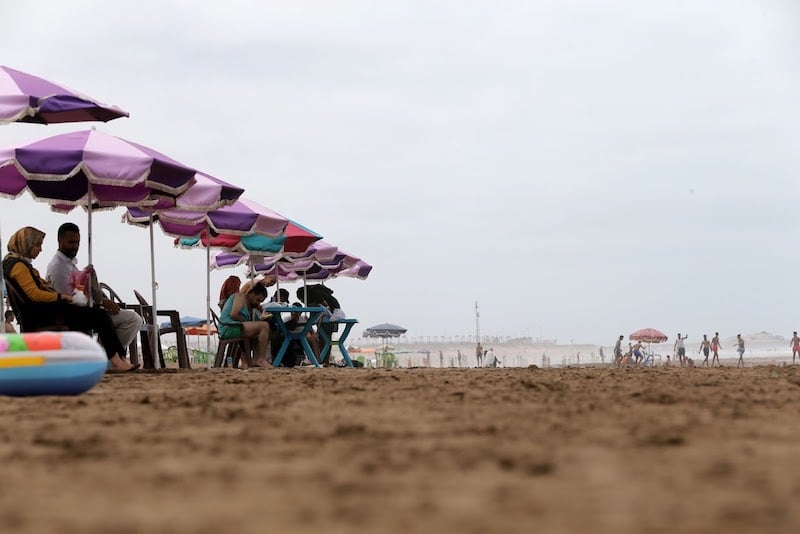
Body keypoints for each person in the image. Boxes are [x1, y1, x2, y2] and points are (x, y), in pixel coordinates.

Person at [2, 226, 137, 372]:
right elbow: (34, 294)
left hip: (42, 313)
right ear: (26, 244)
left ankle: (117, 359)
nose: (40, 249)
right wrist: (61, 296)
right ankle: (115, 360)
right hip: (44, 316)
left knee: (100, 316)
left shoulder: (17, 263)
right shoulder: (18, 266)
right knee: (101, 317)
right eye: (37, 245)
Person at [46, 222, 143, 358]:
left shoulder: (68, 264)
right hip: (71, 316)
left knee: (129, 318)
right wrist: (101, 301)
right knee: (131, 319)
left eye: (77, 242)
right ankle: (108, 357)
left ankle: (106, 356)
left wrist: (88, 280)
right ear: (60, 241)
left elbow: (77, 292)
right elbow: (73, 300)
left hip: (80, 311)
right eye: (71, 242)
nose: (75, 246)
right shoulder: (59, 267)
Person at [219, 281, 271, 367]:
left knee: (263, 332)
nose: (258, 303)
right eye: (257, 300)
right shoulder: (240, 296)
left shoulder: (249, 305)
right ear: (252, 293)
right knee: (264, 326)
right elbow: (234, 314)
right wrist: (250, 323)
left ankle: (255, 360)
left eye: (260, 302)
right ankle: (261, 359)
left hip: (234, 327)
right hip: (229, 327)